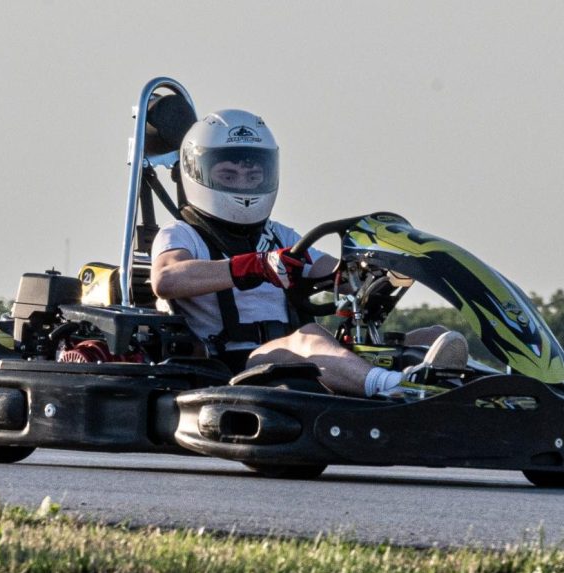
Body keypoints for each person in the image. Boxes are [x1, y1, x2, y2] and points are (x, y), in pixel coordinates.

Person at [150, 108, 467, 398]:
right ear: (197, 173)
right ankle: (395, 388)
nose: (242, 184)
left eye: (253, 175)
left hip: (296, 352)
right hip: (234, 360)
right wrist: (256, 266)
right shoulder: (181, 233)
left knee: (434, 335)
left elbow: (332, 272)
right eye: (229, 175)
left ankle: (481, 390)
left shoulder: (279, 235)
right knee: (310, 337)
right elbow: (167, 279)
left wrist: (375, 272)